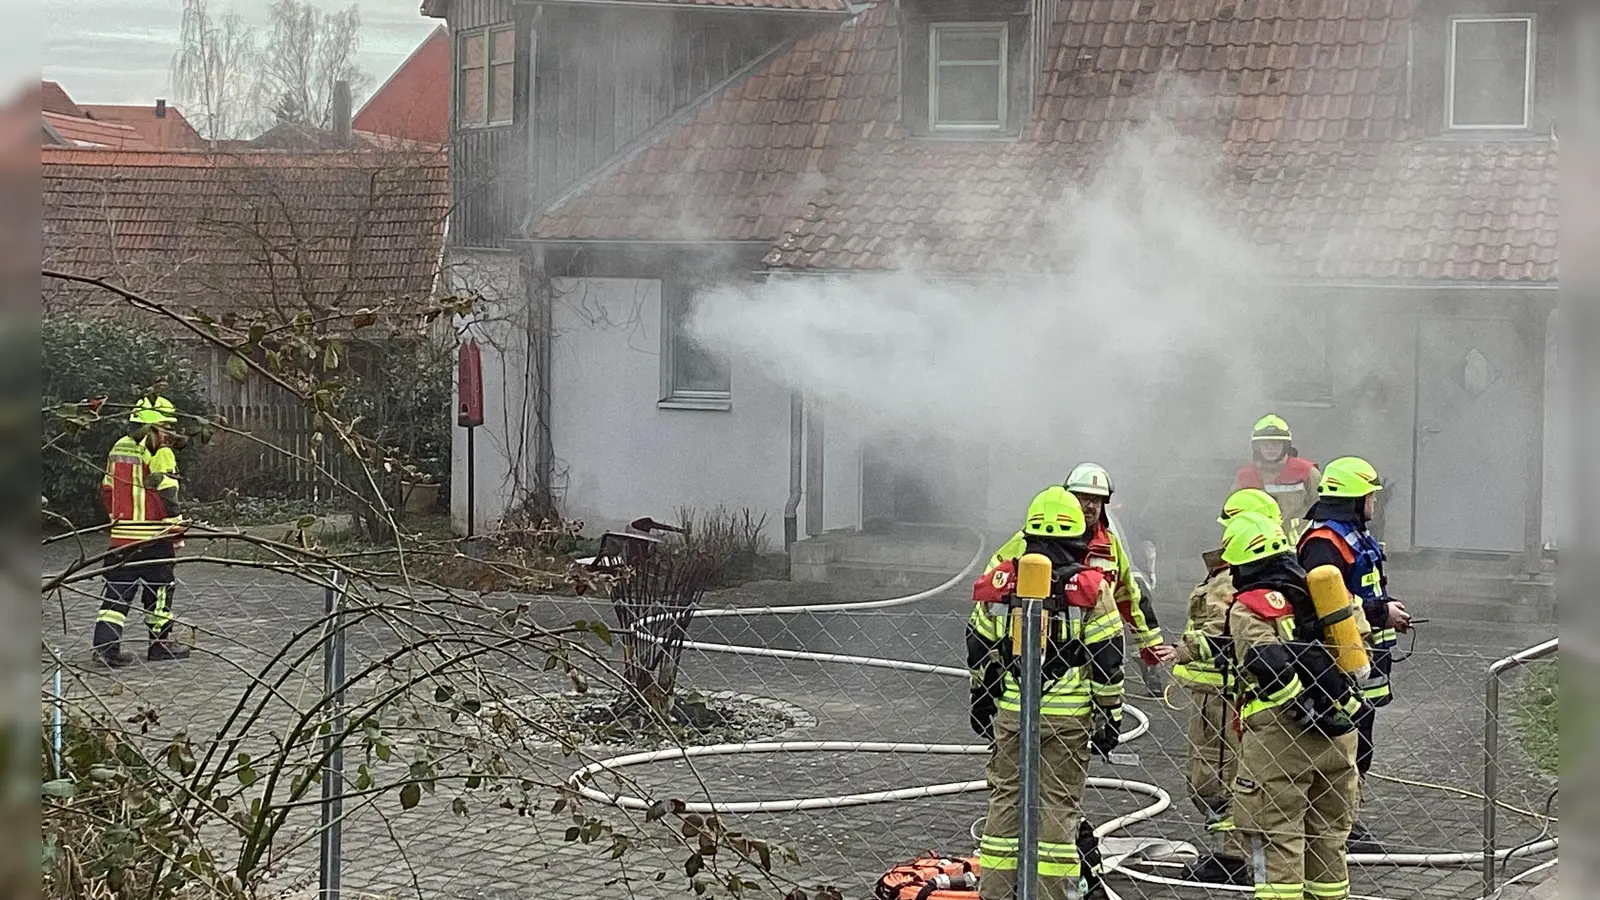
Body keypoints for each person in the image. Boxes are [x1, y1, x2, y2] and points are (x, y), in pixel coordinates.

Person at [968, 486, 1125, 900]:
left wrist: (981, 700)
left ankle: (997, 892)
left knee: (1005, 803)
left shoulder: (1000, 581)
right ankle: (1050, 894)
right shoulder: (1092, 588)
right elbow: (1108, 659)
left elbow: (979, 648)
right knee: (1057, 810)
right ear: (1077, 539)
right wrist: (1110, 717)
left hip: (1012, 712)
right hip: (1068, 720)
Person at [1223, 511, 1363, 900]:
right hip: (1339, 732)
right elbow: (1360, 640)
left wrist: (1299, 705)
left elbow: (1263, 662)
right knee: (1329, 840)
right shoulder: (1326, 590)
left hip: (1280, 741)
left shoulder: (1250, 605)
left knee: (1277, 840)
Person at [1297, 456, 1411, 855]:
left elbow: (1361, 589)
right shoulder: (1324, 544)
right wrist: (1381, 613)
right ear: (1352, 499)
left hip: (1368, 657)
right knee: (1345, 745)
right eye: (1370, 497)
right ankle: (1334, 822)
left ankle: (1346, 818)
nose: (1375, 505)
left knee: (1361, 743)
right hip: (1342, 661)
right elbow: (1327, 602)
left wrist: (1386, 606)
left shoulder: (1351, 536)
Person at [1171, 488, 1285, 886]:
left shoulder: (1228, 579)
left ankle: (1231, 858)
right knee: (1232, 773)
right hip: (1226, 694)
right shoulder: (1254, 574)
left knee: (1216, 776)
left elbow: (1218, 634)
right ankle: (1235, 853)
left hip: (1220, 695)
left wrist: (1181, 652)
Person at [94, 407, 191, 667]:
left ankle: (105, 649)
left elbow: (106, 489)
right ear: (152, 427)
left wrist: (118, 516)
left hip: (122, 538)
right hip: (154, 537)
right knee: (159, 592)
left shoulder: (119, 448)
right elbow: (168, 493)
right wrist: (176, 532)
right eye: (165, 427)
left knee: (116, 594)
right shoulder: (160, 451)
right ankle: (160, 646)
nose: (170, 433)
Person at [1234, 415, 1322, 537]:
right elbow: (1234, 515)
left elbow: (1323, 511)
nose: (1271, 448)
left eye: (1276, 444)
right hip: (1259, 546)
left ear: (1285, 446)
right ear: (1257, 447)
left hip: (1299, 549)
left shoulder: (1307, 472)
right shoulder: (1245, 477)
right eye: (1265, 444)